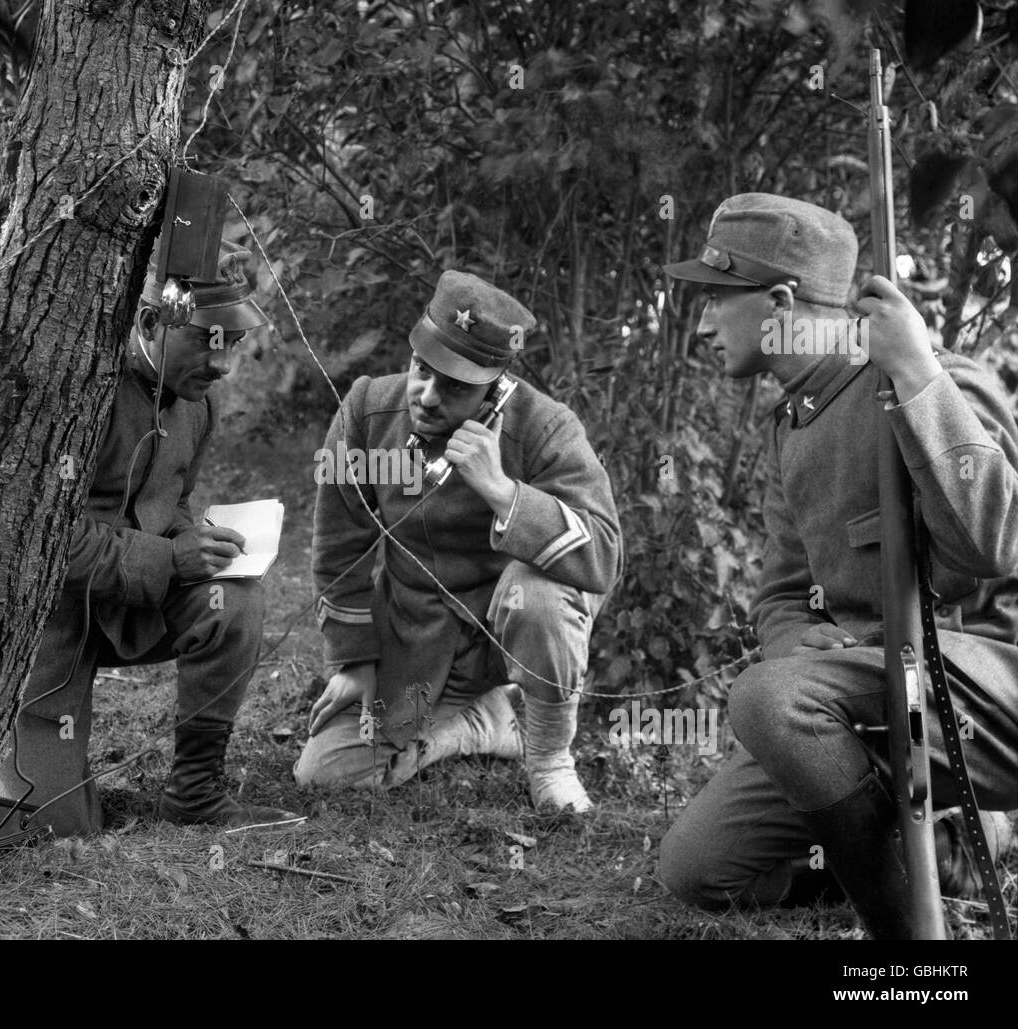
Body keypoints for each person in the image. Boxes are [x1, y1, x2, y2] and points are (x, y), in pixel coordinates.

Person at [658, 192, 1018, 937]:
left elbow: (998, 542)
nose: (701, 322)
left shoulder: (935, 377)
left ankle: (907, 935)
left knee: (769, 700)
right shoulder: (793, 427)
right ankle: (927, 853)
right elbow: (781, 593)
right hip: (864, 699)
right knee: (697, 867)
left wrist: (918, 374)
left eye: (716, 299)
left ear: (782, 300)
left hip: (978, 689)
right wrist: (794, 643)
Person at [0, 242, 298, 849]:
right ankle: (39, 773)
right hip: (52, 624)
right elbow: (42, 538)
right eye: (209, 339)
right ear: (151, 322)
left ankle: (196, 792)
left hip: (136, 605)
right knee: (47, 825)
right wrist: (170, 558)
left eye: (233, 342)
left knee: (234, 604)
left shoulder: (197, 406)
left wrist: (191, 539)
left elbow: (168, 499)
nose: (224, 362)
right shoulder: (78, 394)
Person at [294, 271, 622, 811]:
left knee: (536, 594)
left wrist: (502, 492)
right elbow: (338, 546)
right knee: (327, 772)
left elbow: (604, 555)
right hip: (415, 639)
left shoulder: (544, 428)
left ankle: (548, 757)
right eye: (422, 370)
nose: (426, 396)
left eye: (455, 386)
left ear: (495, 388)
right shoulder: (367, 410)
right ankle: (480, 723)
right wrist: (352, 662)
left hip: (506, 636)